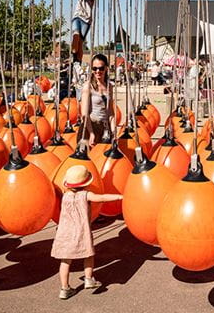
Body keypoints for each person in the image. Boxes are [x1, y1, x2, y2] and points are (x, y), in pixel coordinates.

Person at [51, 165, 123, 300]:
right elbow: (102, 198)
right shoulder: (86, 195)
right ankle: (89, 279)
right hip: (81, 231)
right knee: (88, 255)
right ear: (86, 183)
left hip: (65, 232)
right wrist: (119, 197)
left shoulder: (66, 196)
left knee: (65, 261)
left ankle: (64, 289)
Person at [81, 54, 114, 146]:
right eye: (94, 68)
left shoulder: (109, 86)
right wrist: (91, 133)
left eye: (101, 68)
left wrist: (114, 131)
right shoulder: (88, 86)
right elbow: (84, 114)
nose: (98, 71)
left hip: (105, 129)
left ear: (106, 68)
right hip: (91, 127)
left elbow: (110, 112)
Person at [70, 0, 98, 71]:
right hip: (77, 16)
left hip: (86, 20)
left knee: (80, 42)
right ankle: (73, 58)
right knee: (75, 35)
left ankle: (77, 62)